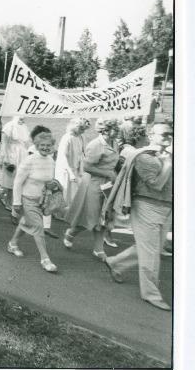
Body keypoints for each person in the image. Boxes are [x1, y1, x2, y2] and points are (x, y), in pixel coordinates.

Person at [103, 123, 173, 311]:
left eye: (171, 133)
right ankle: (151, 294)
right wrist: (168, 164)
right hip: (146, 206)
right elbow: (156, 185)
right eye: (164, 134)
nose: (169, 136)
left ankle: (115, 263)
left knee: (152, 248)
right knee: (150, 252)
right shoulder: (144, 156)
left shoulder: (171, 155)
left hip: (167, 208)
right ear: (151, 135)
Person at [64, 118, 120, 261]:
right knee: (92, 217)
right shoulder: (96, 145)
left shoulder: (114, 143)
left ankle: (98, 249)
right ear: (106, 130)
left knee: (104, 217)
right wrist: (107, 173)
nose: (118, 132)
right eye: (115, 129)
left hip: (108, 184)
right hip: (94, 184)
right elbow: (87, 167)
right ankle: (71, 233)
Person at [7, 126, 60, 272]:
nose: (45, 148)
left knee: (26, 222)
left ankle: (12, 244)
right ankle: (45, 259)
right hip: (28, 199)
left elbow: (48, 180)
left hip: (42, 200)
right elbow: (17, 182)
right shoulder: (29, 160)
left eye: (48, 145)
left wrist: (52, 185)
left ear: (52, 146)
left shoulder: (50, 160)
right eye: (42, 145)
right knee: (38, 227)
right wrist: (16, 203)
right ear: (36, 146)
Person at [0, 115, 32, 222]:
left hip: (22, 154)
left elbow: (26, 142)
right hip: (12, 153)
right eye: (20, 116)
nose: (22, 119)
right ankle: (7, 197)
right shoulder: (9, 126)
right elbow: (4, 143)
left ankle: (8, 198)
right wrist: (5, 157)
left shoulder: (24, 127)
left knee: (19, 179)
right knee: (11, 178)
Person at [54, 117, 89, 217]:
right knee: (64, 190)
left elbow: (83, 153)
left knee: (73, 192)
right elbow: (63, 157)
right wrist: (70, 172)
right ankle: (58, 213)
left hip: (76, 168)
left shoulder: (80, 137)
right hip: (65, 169)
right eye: (81, 129)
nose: (82, 131)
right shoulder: (67, 138)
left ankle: (68, 213)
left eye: (84, 129)